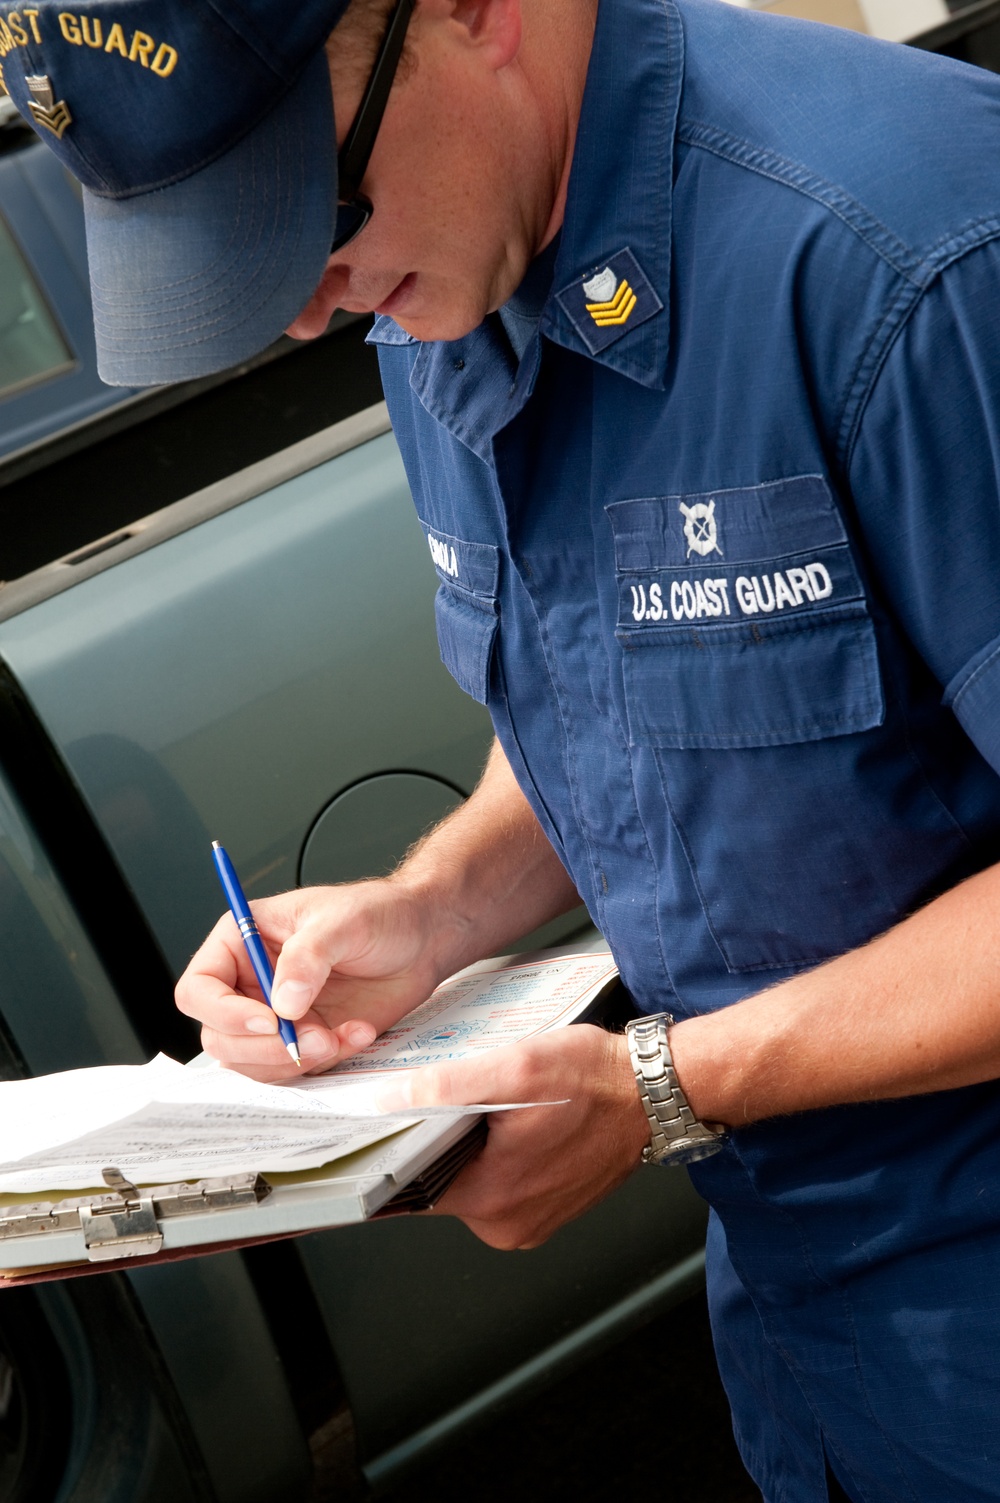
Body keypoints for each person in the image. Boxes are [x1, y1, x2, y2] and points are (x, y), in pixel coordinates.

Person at [7, 0, 1000, 1495]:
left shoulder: (914, 269)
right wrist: (428, 913)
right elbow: (629, 703)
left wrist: (669, 1087)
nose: (300, 306)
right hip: (807, 1312)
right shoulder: (444, 270)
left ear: (475, 13)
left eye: (311, 208)